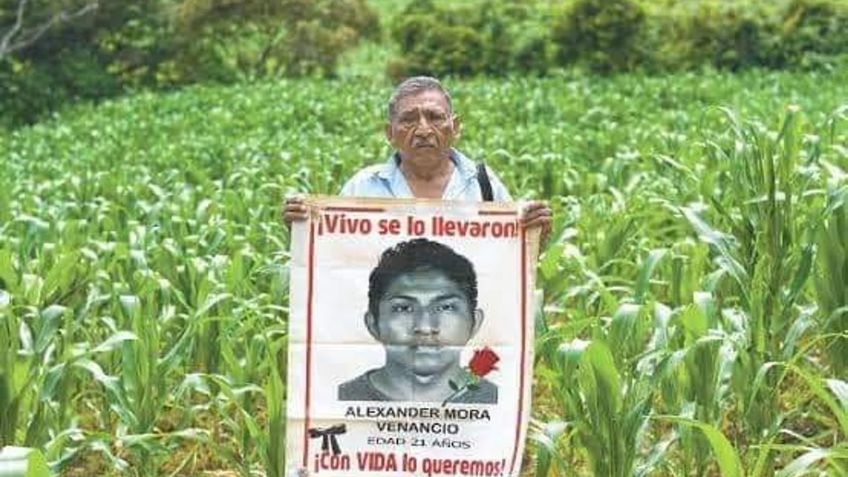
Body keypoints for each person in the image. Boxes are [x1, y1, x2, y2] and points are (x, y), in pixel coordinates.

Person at [282, 76, 552, 237]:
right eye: (409, 119)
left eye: (434, 117)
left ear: (454, 127)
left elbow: (509, 261)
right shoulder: (363, 186)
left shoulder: (484, 184)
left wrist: (535, 235)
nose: (423, 129)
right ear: (390, 132)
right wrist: (302, 230)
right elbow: (334, 260)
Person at [338, 238, 497, 404]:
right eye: (403, 308)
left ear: (475, 322)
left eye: (446, 307)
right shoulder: (337, 400)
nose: (425, 327)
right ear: (372, 324)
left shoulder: (505, 404)